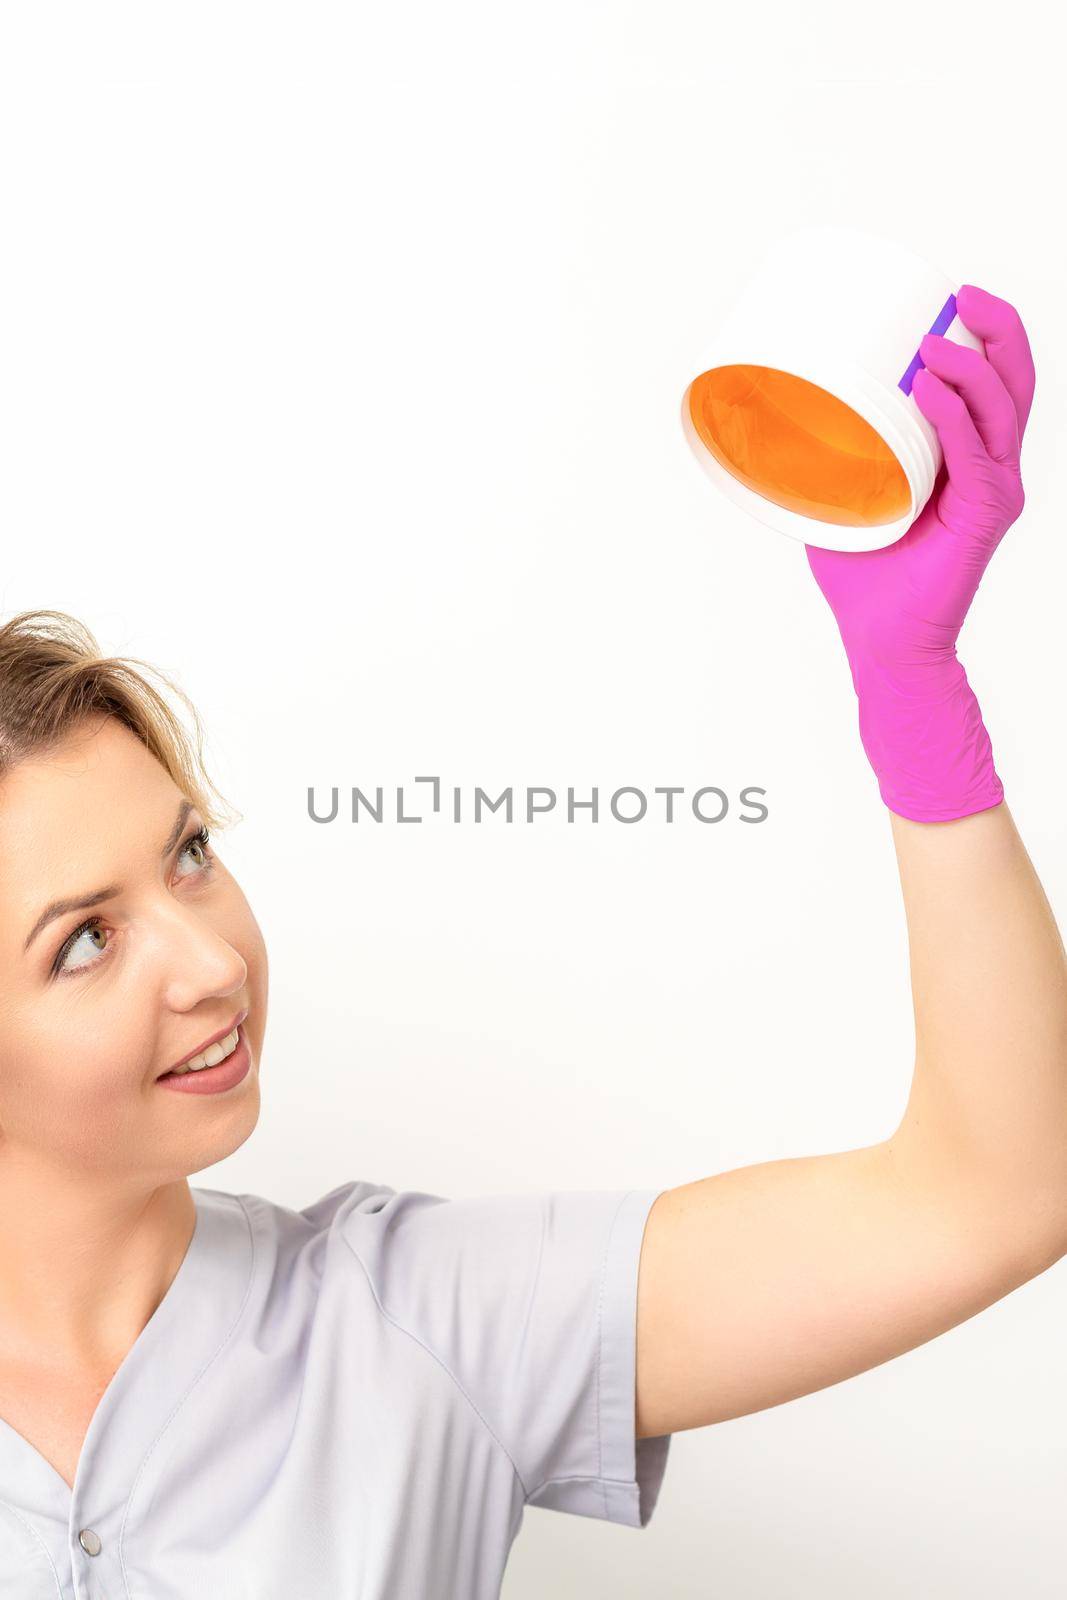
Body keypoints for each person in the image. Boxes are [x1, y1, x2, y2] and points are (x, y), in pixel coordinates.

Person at [0, 285, 1062, 1599]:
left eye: (191, 858)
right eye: (86, 943)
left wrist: (915, 695)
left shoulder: (426, 1323)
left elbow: (994, 1196)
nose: (213, 963)